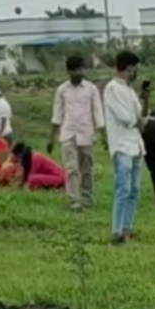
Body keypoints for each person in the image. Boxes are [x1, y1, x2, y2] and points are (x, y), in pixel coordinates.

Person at [50, 55, 105, 212]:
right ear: (69, 71)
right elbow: (57, 115)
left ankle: (87, 199)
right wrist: (51, 138)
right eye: (75, 70)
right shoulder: (62, 90)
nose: (79, 72)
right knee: (72, 168)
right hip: (68, 134)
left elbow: (97, 112)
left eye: (81, 69)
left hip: (87, 134)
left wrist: (103, 135)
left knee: (87, 169)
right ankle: (74, 201)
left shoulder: (91, 89)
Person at [104, 49, 146, 244]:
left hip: (136, 144)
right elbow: (126, 118)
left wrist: (145, 100)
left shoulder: (129, 91)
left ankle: (128, 227)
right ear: (128, 68)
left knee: (135, 189)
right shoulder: (111, 88)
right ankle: (117, 230)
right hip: (121, 145)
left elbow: (142, 117)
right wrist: (136, 119)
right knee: (123, 187)